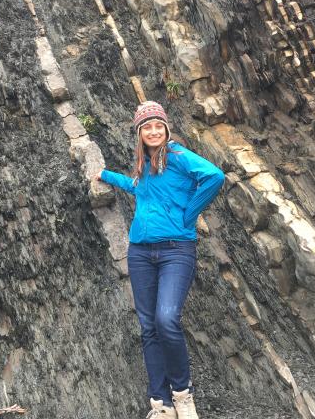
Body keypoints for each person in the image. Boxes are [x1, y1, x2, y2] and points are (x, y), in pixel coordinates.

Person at [96, 101, 225, 418]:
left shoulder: (177, 155)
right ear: (139, 133)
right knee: (149, 327)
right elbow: (136, 188)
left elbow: (214, 176)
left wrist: (188, 214)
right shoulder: (145, 164)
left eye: (158, 126)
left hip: (176, 250)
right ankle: (161, 404)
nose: (153, 131)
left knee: (166, 319)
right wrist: (104, 175)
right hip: (140, 252)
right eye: (146, 127)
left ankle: (183, 396)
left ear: (165, 129)